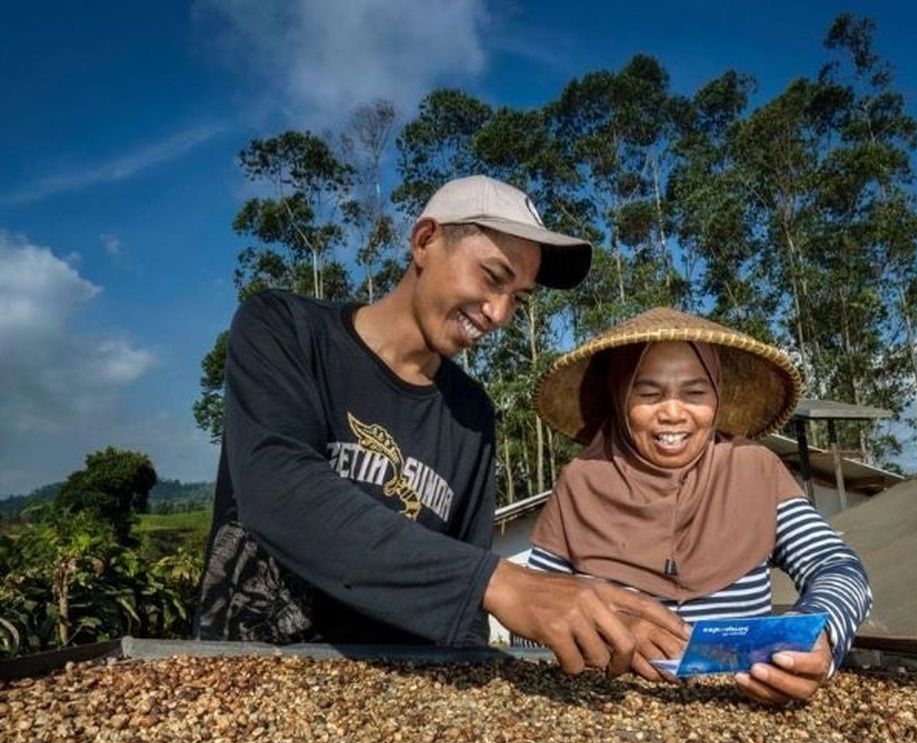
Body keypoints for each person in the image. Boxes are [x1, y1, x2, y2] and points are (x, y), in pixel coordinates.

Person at [193, 175, 687, 676]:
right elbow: (278, 490)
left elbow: (460, 593)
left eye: (517, 297)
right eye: (493, 277)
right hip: (248, 673)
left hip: (388, 695)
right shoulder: (285, 329)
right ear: (425, 240)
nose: (498, 313)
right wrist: (503, 583)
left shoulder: (470, 415)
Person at [526, 307, 873, 705]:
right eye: (649, 393)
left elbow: (837, 565)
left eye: (694, 393)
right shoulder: (582, 480)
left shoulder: (754, 469)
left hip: (744, 701)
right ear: (621, 397)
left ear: (716, 399)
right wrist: (606, 631)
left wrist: (818, 632)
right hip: (609, 706)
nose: (673, 413)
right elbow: (535, 611)